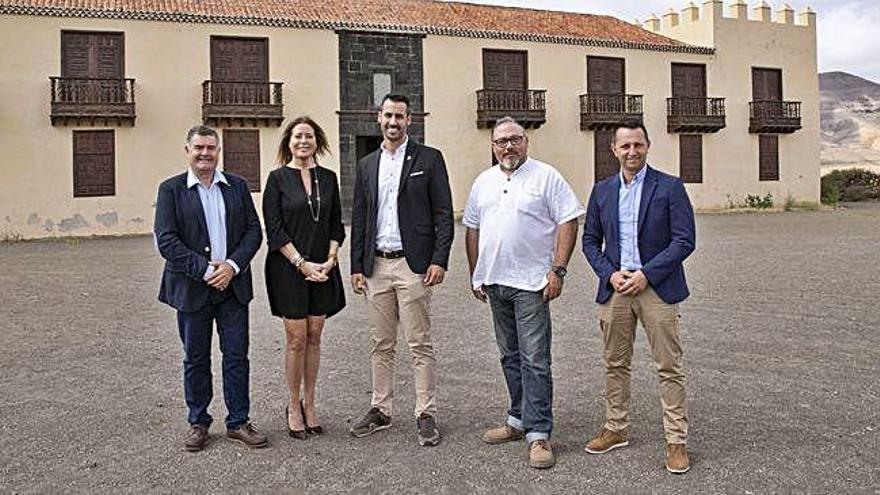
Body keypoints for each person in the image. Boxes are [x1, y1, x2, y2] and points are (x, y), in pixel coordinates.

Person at [463, 117, 584, 469]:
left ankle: (539, 433)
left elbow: (568, 220)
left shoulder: (546, 176)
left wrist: (558, 270)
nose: (508, 146)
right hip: (495, 282)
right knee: (509, 356)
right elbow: (472, 228)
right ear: (492, 145)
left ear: (526, 141)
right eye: (501, 141)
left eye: (515, 139)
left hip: (532, 283)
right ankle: (517, 420)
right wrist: (475, 274)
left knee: (535, 359)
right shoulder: (483, 182)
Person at [581, 119, 696, 474]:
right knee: (615, 364)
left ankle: (676, 441)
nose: (632, 152)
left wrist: (647, 274)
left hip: (657, 288)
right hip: (616, 289)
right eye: (625, 146)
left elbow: (684, 240)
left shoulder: (670, 187)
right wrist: (610, 273)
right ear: (613, 150)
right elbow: (589, 241)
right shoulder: (602, 191)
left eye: (638, 145)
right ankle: (616, 428)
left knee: (669, 367)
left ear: (647, 147)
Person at [348, 93, 454, 447]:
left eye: (400, 116)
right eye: (388, 115)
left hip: (415, 266)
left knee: (419, 343)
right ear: (378, 117)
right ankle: (381, 408)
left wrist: (439, 260)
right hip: (376, 265)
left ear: (410, 120)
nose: (394, 122)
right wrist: (357, 266)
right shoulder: (366, 164)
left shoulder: (429, 159)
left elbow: (443, 213)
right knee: (381, 343)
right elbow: (360, 217)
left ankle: (426, 412)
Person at [154, 125, 267, 452]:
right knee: (196, 358)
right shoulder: (171, 190)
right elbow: (166, 240)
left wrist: (231, 266)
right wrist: (205, 271)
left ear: (219, 152)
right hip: (193, 289)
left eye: (211, 148)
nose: (205, 153)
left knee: (236, 356)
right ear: (187, 151)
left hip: (232, 287)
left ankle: (238, 421)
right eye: (199, 148)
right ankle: (198, 422)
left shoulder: (236, 187)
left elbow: (252, 232)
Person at [263, 117, 346, 439]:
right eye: (297, 136)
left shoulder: (329, 178)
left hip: (323, 270)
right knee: (296, 338)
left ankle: (311, 403)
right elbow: (275, 228)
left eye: (309, 136)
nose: (303, 141)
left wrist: (329, 259)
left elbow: (336, 225)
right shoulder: (277, 179)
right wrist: (302, 264)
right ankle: (293, 405)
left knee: (315, 335)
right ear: (288, 142)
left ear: (317, 141)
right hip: (289, 270)